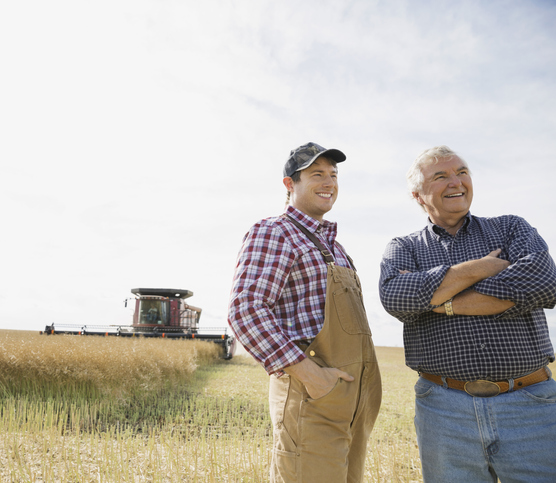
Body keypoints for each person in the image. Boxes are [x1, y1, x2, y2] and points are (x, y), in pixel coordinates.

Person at [379, 145, 556, 482]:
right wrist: (486, 267)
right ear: (418, 195)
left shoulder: (510, 229)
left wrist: (441, 300)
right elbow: (396, 297)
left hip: (530, 405)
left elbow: (544, 282)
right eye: (441, 176)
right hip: (444, 410)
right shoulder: (404, 248)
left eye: (462, 172)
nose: (456, 182)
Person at [228, 142, 381, 483]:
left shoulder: (335, 247)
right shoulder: (275, 231)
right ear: (289, 184)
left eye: (333, 174)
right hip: (313, 399)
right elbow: (246, 310)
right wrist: (312, 376)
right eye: (317, 175)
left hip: (352, 404)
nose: (329, 182)